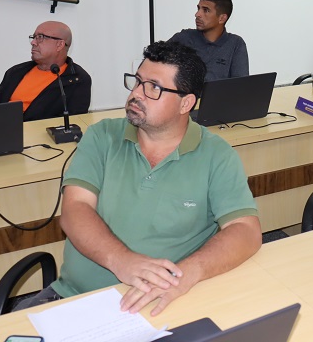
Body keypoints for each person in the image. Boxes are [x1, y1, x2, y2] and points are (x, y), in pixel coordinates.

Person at [18, 41, 261, 316]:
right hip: (76, 298)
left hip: (162, 303)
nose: (136, 94)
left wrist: (188, 273)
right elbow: (75, 209)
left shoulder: (216, 154)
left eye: (153, 87)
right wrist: (122, 261)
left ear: (186, 103)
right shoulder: (102, 136)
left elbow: (245, 230)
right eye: (137, 81)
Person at [0, 21, 91, 121]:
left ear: (59, 45)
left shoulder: (77, 80)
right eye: (34, 37)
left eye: (40, 37)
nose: (33, 42)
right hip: (2, 128)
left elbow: (74, 122)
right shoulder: (16, 72)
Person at [168, 0, 249, 82]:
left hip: (220, 92)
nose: (197, 14)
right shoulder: (184, 37)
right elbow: (157, 59)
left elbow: (241, 85)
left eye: (206, 10)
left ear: (222, 18)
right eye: (198, 8)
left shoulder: (236, 44)